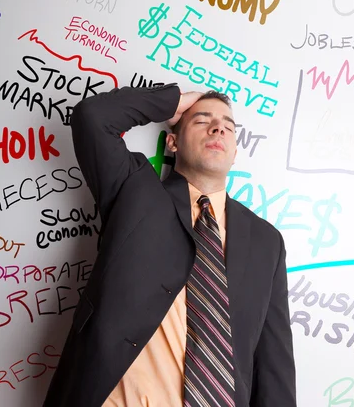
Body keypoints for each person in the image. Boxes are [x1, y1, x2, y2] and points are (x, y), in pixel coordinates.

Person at [42, 83, 296, 407]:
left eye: (228, 126)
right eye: (202, 120)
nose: (218, 127)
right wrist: (174, 102)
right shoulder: (133, 192)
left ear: (234, 152)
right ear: (172, 142)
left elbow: (273, 368)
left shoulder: (267, 242)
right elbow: (93, 118)